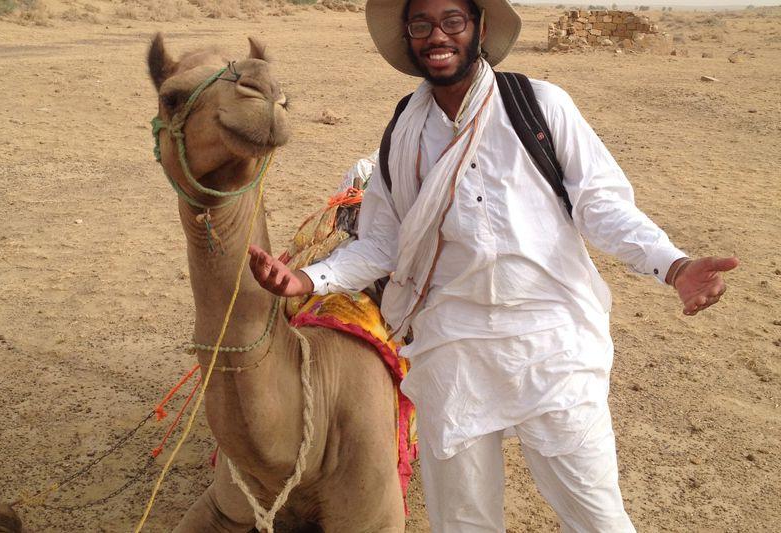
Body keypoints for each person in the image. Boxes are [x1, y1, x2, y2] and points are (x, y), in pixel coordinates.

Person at [247, 0, 739, 530]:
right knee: (463, 521)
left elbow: (601, 207)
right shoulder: (402, 135)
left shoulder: (539, 106)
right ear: (409, 38)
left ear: (479, 28)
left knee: (597, 517)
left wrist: (673, 265)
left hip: (552, 341)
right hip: (452, 348)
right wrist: (306, 279)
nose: (438, 35)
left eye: (452, 21)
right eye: (422, 24)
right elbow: (382, 245)